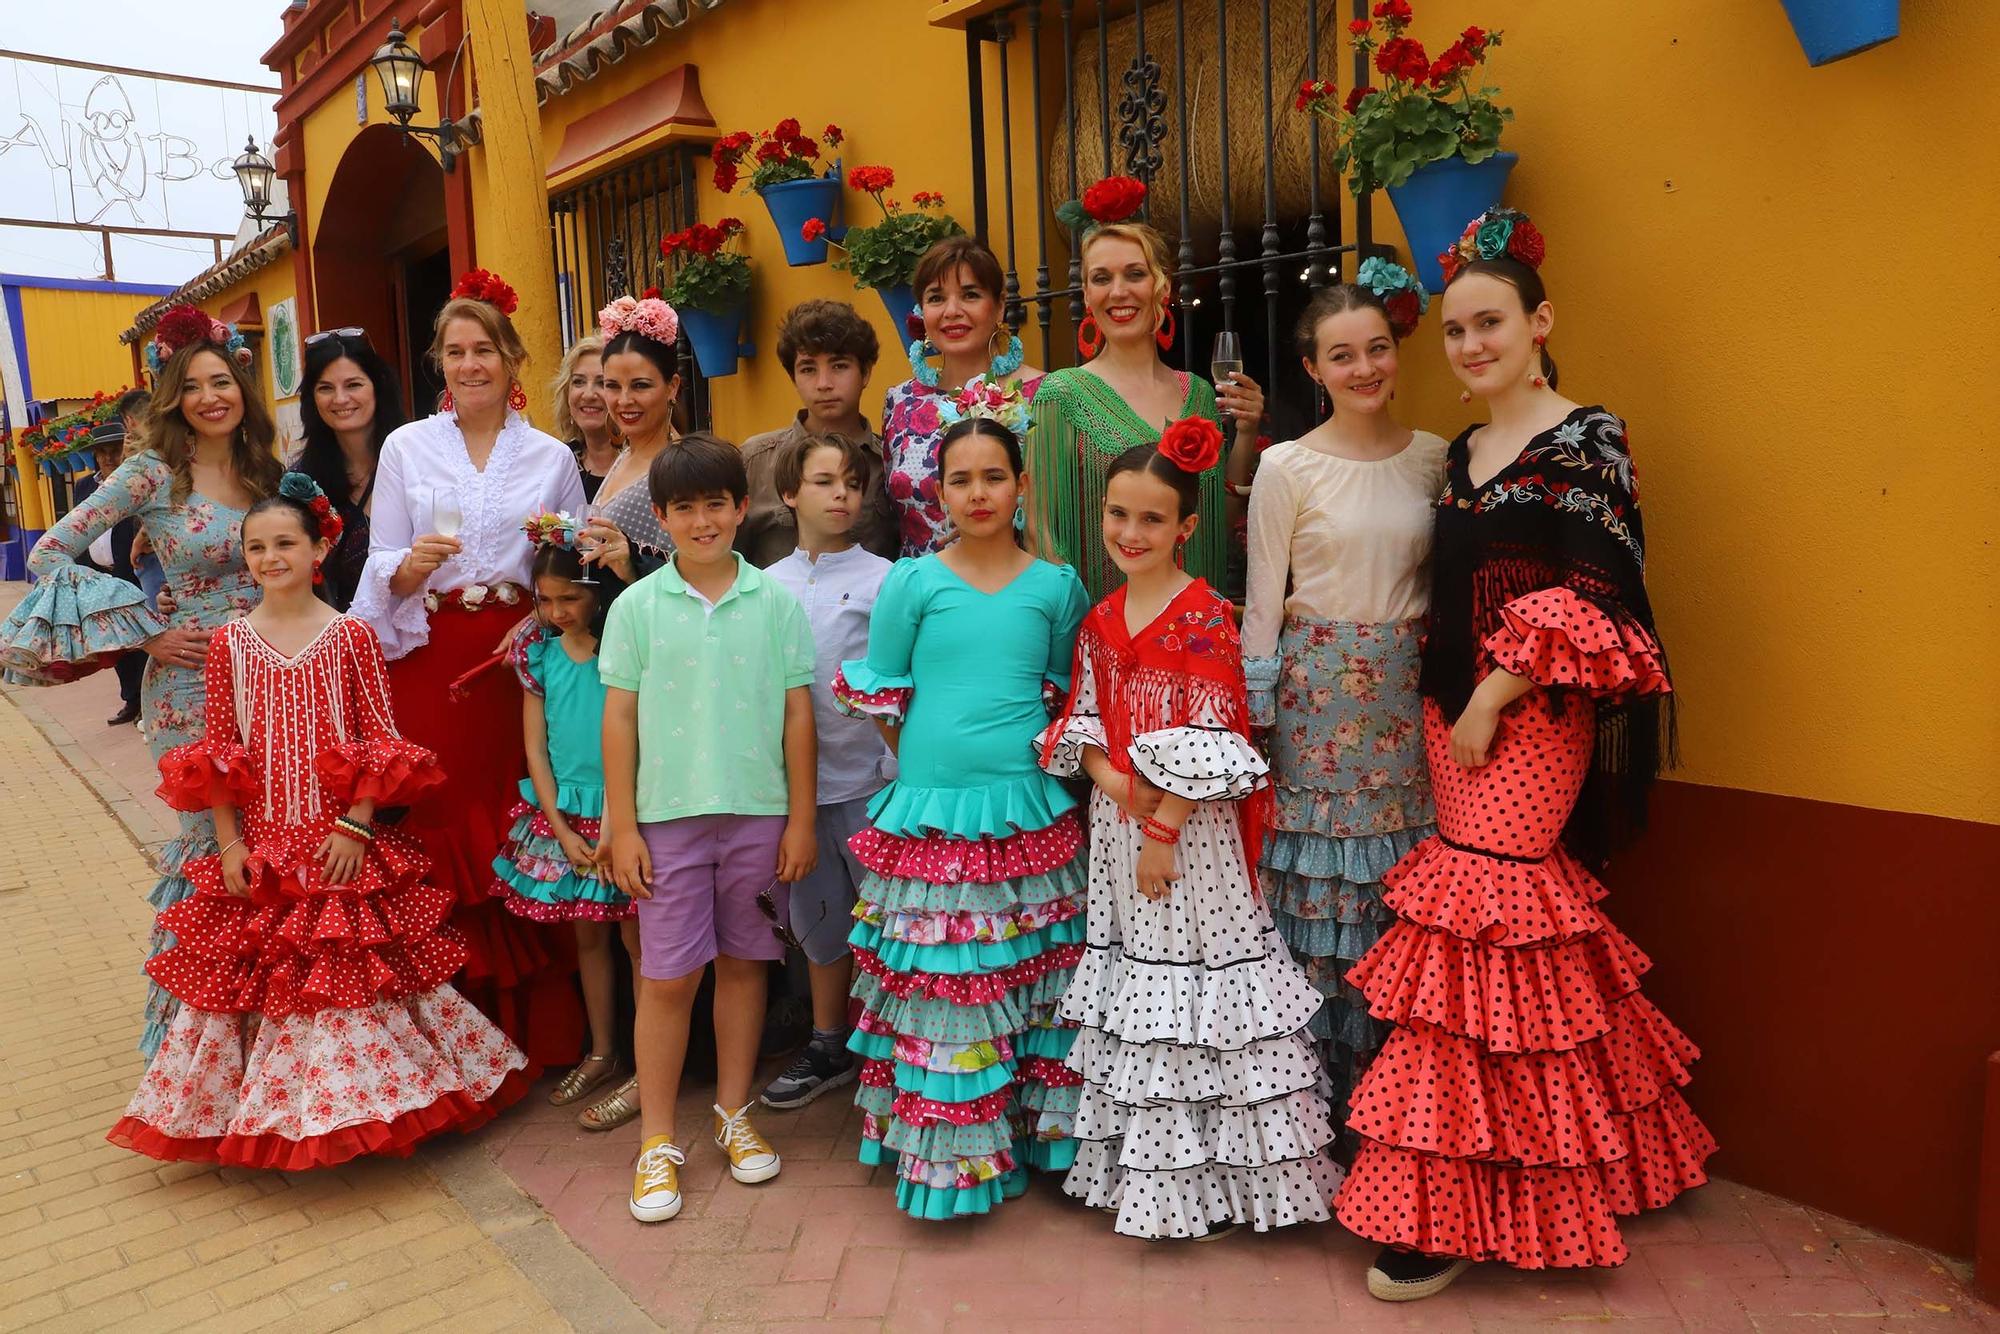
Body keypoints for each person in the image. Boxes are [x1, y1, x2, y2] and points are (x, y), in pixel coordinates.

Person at [1334, 210, 1712, 1299]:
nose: (1468, 344)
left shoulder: (1586, 437)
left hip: (1529, 717)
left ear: (1539, 322)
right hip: (1447, 718)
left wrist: (1495, 694)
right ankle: (1597, 1145)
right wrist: (1453, 703)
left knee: (1483, 930)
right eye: (1452, 331)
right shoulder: (1458, 452)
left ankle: (1447, 1206)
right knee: (1497, 939)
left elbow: (1595, 593)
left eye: (1487, 321)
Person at [109, 474, 529, 1166]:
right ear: (245, 559)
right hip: (264, 846)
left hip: (340, 844)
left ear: (316, 551)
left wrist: (357, 825)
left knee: (350, 980)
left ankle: (365, 1109)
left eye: (284, 544)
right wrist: (232, 845)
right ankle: (279, 1115)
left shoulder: (350, 638)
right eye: (256, 548)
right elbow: (218, 757)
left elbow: (381, 739)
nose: (271, 558)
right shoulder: (230, 647)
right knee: (268, 984)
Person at [1040, 426, 1339, 1240]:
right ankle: (1157, 1167)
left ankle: (1230, 1175)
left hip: (1186, 833)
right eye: (1117, 515)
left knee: (1195, 975)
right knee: (1145, 984)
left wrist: (1163, 826)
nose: (1129, 534)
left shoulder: (1203, 615)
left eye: (1150, 519)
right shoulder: (1102, 617)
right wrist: (1109, 783)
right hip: (1120, 820)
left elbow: (1216, 731)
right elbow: (1086, 715)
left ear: (1185, 528)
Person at [833, 403, 1091, 1220]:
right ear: (937, 491)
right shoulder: (913, 580)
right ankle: (955, 1167)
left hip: (1026, 812)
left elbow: (1059, 691)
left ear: (1020, 486)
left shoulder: (1056, 585)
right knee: (951, 985)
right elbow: (883, 687)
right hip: (932, 814)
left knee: (1031, 977)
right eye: (960, 479)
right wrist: (920, 765)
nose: (977, 493)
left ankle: (1037, 1139)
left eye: (993, 477)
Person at [0, 305, 278, 1056]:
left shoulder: (265, 469)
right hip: (190, 686)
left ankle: (284, 1040)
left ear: (242, 387)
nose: (211, 397)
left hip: (273, 674)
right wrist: (144, 630)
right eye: (192, 387)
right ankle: (203, 1057)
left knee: (276, 846)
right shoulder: (151, 473)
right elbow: (50, 553)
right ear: (172, 398)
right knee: (210, 852)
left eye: (221, 381)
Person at [349, 269, 588, 1075]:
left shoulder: (552, 456)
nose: (470, 363)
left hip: (517, 656)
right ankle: (452, 1041)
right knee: (442, 823)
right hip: (431, 654)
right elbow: (380, 562)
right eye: (455, 351)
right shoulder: (404, 446)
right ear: (438, 364)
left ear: (513, 359)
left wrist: (543, 618)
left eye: (484, 348)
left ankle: (543, 1036)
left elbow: (569, 557)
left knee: (519, 820)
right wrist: (409, 568)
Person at [1242, 262, 1447, 1141]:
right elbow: (1261, 603)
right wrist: (1257, 720)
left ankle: (1394, 1104)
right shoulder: (1286, 465)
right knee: (1317, 893)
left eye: (1377, 349)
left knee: (1398, 884)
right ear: (1312, 368)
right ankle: (1314, 1113)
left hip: (1407, 698)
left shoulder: (1440, 456)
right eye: (1342, 355)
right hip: (1313, 699)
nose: (1364, 368)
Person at [597, 436, 817, 1223]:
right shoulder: (634, 608)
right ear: (659, 518)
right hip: (666, 823)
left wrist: (798, 819)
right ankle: (658, 1142)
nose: (702, 520)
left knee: (746, 966)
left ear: (740, 508)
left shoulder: (778, 603)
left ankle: (732, 1112)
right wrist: (622, 828)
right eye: (684, 507)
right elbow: (618, 721)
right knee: (666, 977)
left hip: (757, 815)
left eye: (715, 503)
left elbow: (798, 717)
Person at [1026, 180, 1264, 601]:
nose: (1119, 292)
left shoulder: (1200, 394)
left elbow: (1214, 523)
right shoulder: (1061, 394)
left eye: (1135, 274)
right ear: (1086, 294)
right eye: (1102, 278)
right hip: (1105, 634)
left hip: (1189, 631)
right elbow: (1042, 535)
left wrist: (1246, 433)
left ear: (1163, 286)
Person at [755, 434, 896, 1110]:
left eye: (850, 482)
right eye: (822, 481)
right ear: (790, 495)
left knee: (886, 921)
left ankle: (898, 1044)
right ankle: (829, 1040)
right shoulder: (763, 586)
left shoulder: (886, 579)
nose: (840, 494)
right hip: (799, 793)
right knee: (820, 921)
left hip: (874, 781)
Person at [491, 518, 633, 1111]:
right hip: (569, 819)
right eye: (545, 601)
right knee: (591, 942)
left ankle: (647, 1058)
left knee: (642, 943)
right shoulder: (537, 652)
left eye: (570, 598)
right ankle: (602, 1051)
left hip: (630, 812)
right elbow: (535, 749)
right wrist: (556, 825)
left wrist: (626, 821)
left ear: (597, 590)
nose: (557, 612)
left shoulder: (626, 645)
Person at [881, 236, 1044, 557]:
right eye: (936, 298)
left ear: (999, 306)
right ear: (921, 312)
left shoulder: (1041, 394)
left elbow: (1061, 510)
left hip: (1014, 588)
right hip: (921, 595)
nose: (952, 311)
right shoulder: (899, 402)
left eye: (970, 295)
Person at [738, 300, 897, 566]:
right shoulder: (755, 460)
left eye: (839, 366)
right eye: (808, 369)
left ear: (866, 372)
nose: (824, 384)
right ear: (793, 377)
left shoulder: (891, 462)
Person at [292, 329, 407, 611]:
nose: (340, 399)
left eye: (353, 385)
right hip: (345, 644)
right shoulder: (301, 484)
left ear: (377, 387)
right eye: (326, 388)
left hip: (419, 634)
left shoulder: (416, 461)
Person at [578, 296, 683, 584]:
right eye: (611, 386)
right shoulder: (627, 453)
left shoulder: (680, 471)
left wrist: (631, 567)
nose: (624, 401)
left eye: (640, 385)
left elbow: (696, 574)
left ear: (672, 387)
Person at [75, 419, 146, 725]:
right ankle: (131, 699)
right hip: (99, 576)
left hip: (132, 573)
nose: (108, 457)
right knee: (115, 646)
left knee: (142, 642)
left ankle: (148, 701)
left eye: (114, 450)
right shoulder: (84, 487)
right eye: (102, 452)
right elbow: (77, 528)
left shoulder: (134, 484)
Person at [552, 336, 618, 502]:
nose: (588, 395)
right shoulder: (557, 463)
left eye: (602, 383)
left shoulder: (644, 464)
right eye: (578, 382)